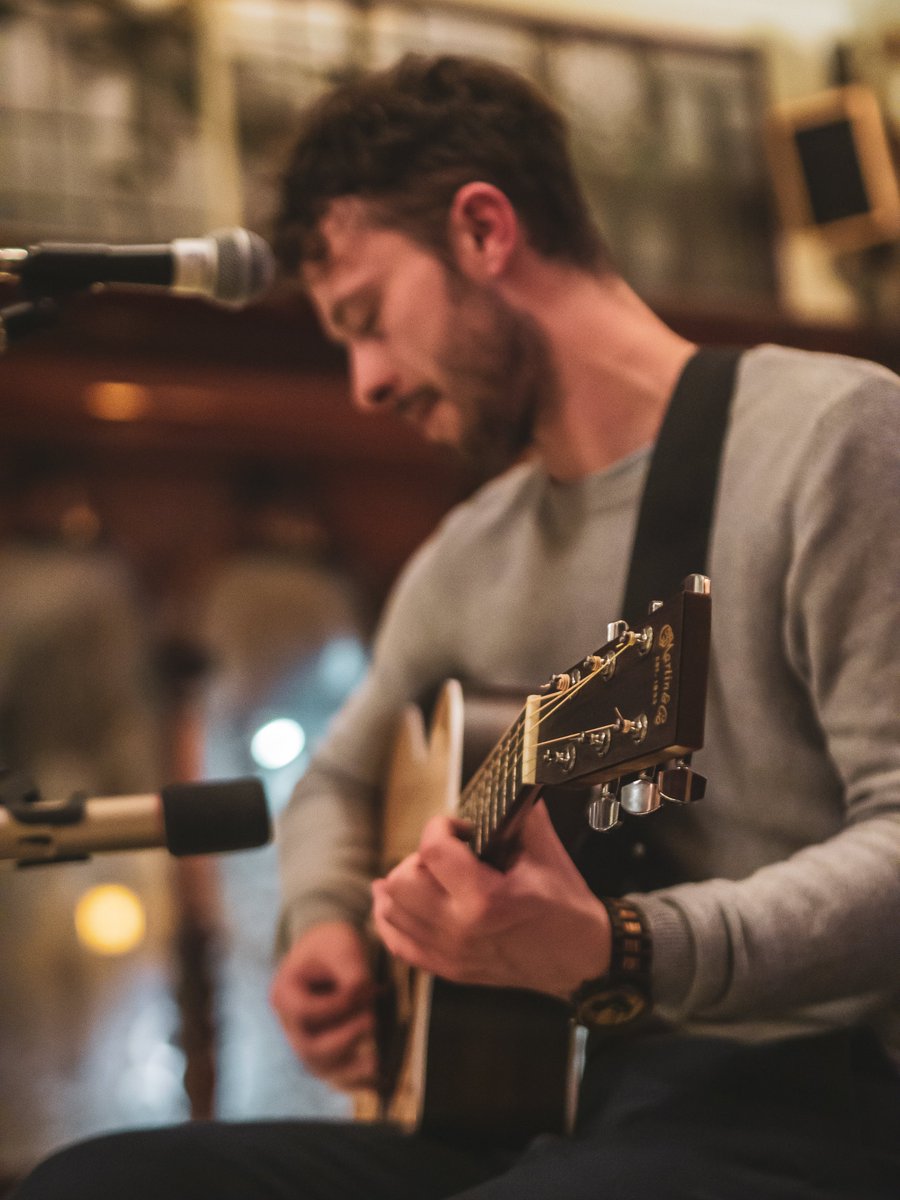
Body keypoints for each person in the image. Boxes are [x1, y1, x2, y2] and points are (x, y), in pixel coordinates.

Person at [12, 52, 900, 1200]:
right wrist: (325, 931)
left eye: (368, 318)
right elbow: (334, 781)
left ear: (485, 229)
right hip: (545, 1111)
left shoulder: (832, 438)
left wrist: (625, 948)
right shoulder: (466, 554)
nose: (366, 383)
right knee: (99, 1187)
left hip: (813, 1105)